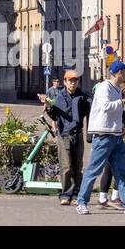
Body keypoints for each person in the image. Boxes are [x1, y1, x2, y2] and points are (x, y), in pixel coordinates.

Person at [75, 61, 125, 215]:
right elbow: (105, 107)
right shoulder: (104, 87)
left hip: (115, 135)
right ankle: (81, 202)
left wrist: (120, 124)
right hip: (103, 134)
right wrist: (123, 101)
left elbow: (116, 112)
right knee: (94, 169)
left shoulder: (116, 89)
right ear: (118, 72)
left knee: (121, 171)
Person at [41, 70, 90, 206]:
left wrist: (90, 134)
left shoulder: (83, 97)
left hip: (78, 135)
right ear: (65, 82)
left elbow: (90, 113)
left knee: (78, 166)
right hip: (64, 135)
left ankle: (76, 193)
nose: (72, 83)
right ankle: (66, 194)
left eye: (75, 80)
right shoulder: (59, 97)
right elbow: (54, 116)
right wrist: (49, 107)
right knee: (66, 167)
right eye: (70, 80)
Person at [95, 75, 125, 207]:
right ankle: (108, 197)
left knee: (116, 166)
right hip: (110, 136)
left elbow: (122, 121)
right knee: (115, 166)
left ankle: (109, 196)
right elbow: (114, 118)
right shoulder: (116, 102)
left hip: (116, 137)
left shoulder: (119, 102)